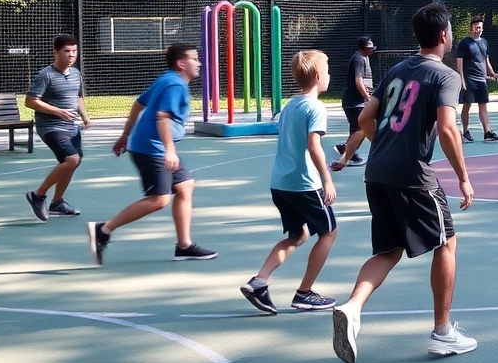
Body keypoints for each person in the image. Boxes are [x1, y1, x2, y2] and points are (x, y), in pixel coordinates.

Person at [331, 3, 476, 363]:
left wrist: (382, 146)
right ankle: (443, 333)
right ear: (444, 36)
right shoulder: (445, 76)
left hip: (376, 172)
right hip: (413, 175)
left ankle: (351, 308)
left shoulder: (397, 69)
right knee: (447, 242)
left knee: (387, 250)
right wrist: (463, 177)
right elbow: (446, 129)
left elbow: (366, 117)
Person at [87, 44, 215, 265]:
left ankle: (184, 246)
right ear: (181, 63)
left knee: (185, 186)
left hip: (149, 144)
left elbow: (138, 104)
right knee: (159, 200)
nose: (200, 63)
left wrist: (125, 135)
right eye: (195, 59)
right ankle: (103, 229)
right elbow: (162, 117)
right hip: (152, 148)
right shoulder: (175, 84)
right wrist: (169, 150)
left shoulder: (166, 79)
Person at [240, 50, 339, 315]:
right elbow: (314, 146)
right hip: (304, 183)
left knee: (299, 234)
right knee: (329, 232)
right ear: (319, 77)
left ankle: (259, 282)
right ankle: (304, 293)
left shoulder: (290, 105)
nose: (329, 75)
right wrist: (326, 179)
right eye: (327, 71)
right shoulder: (316, 107)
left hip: (280, 183)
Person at [24, 34, 90, 221]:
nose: (71, 55)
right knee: (71, 159)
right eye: (67, 51)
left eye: (74, 51)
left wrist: (84, 115)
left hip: (72, 126)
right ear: (56, 52)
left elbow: (77, 97)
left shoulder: (76, 73)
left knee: (75, 162)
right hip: (50, 126)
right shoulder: (46, 75)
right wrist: (57, 111)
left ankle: (57, 203)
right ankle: (37, 196)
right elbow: (29, 101)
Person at [332, 35, 376, 171]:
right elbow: (359, 81)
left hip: (356, 102)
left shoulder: (364, 58)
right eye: (368, 48)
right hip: (355, 102)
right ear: (361, 48)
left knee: (357, 129)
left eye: (371, 48)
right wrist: (367, 98)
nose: (370, 51)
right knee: (361, 129)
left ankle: (347, 150)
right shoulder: (358, 59)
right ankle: (347, 151)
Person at [456, 15, 498, 144]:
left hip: (481, 80)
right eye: (476, 27)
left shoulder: (484, 42)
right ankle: (465, 131)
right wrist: (462, 80)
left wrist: (492, 73)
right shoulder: (464, 43)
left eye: (480, 27)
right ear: (471, 28)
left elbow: (485, 60)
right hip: (469, 79)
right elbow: (459, 63)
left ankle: (487, 132)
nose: (478, 29)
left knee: (483, 106)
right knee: (467, 106)